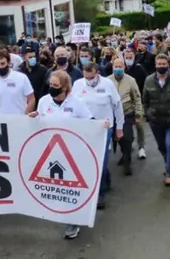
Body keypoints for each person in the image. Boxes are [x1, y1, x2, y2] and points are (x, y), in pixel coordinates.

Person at [31, 70, 108, 240]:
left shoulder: (76, 103)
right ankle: (65, 213)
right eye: (51, 84)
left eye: (56, 85)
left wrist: (101, 125)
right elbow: (39, 122)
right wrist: (33, 118)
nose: (52, 88)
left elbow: (90, 122)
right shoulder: (44, 102)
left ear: (65, 87)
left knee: (72, 187)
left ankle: (73, 221)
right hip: (52, 152)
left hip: (73, 152)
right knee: (60, 186)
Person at [73, 63, 124, 209]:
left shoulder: (108, 84)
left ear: (98, 74)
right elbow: (73, 105)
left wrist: (119, 127)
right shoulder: (77, 85)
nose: (89, 81)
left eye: (92, 78)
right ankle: (105, 179)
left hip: (104, 127)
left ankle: (99, 194)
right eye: (86, 78)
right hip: (85, 127)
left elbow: (117, 106)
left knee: (100, 160)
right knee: (88, 159)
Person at [142, 54, 170, 186]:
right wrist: (148, 114)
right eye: (159, 64)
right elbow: (145, 100)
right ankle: (168, 163)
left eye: (164, 64)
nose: (161, 66)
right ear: (155, 65)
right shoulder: (149, 80)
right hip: (155, 120)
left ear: (168, 65)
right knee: (162, 146)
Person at [108, 58, 143, 176]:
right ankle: (124, 153)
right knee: (117, 138)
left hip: (127, 113)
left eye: (120, 66)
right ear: (113, 67)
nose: (118, 68)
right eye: (116, 66)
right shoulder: (107, 81)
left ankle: (127, 162)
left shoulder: (131, 81)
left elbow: (137, 98)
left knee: (126, 138)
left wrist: (138, 114)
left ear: (124, 67)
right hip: (112, 115)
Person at [0, 50, 35, 115]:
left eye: (2, 63)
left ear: (9, 63)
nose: (0, 67)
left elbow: (31, 99)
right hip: (2, 119)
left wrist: (25, 116)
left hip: (20, 117)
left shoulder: (22, 77)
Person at [123, 47, 148, 159]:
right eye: (126, 57)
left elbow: (145, 84)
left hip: (137, 100)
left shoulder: (139, 69)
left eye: (130, 57)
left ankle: (141, 147)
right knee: (126, 126)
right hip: (125, 102)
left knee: (139, 125)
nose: (128, 59)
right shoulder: (121, 69)